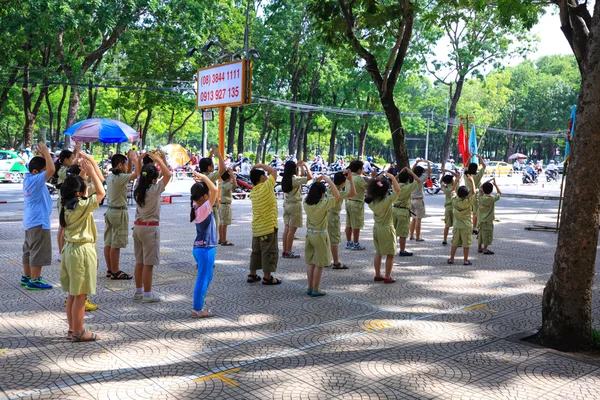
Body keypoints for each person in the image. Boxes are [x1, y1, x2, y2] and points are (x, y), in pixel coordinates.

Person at [60, 158, 105, 342]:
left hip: (69, 250)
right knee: (81, 296)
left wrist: (83, 174)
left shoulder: (65, 204)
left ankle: (72, 329)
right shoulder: (82, 205)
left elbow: (77, 188)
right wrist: (92, 172)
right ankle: (79, 332)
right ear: (79, 192)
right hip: (81, 252)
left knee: (72, 293)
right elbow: (101, 193)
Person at [132, 152, 171, 303]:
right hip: (150, 229)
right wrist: (158, 159)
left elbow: (160, 174)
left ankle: (138, 291)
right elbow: (167, 175)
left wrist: (141, 160)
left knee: (139, 261)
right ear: (154, 179)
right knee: (148, 264)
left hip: (137, 228)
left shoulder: (138, 188)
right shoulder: (153, 190)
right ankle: (148, 294)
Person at [21, 142, 55, 290]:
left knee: (28, 250)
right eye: (43, 171)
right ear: (36, 171)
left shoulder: (29, 178)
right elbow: (52, 169)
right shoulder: (36, 180)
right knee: (38, 251)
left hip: (30, 221)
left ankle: (27, 276)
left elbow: (47, 167)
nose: (45, 174)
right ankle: (35, 280)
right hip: (39, 222)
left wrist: (43, 155)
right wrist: (47, 153)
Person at [104, 150, 139, 280]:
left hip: (110, 211)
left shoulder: (111, 176)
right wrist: (135, 159)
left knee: (108, 242)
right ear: (119, 165)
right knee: (116, 244)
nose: (126, 167)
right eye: (124, 164)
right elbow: (136, 174)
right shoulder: (120, 178)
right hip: (119, 212)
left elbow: (129, 173)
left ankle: (109, 269)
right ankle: (115, 271)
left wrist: (129, 160)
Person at [304, 175, 340, 297]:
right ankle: (316, 288)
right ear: (322, 193)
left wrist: (316, 182)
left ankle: (309, 287)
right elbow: (337, 196)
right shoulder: (323, 204)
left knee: (311, 263)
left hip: (309, 234)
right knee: (319, 263)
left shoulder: (306, 203)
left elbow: (311, 192)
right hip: (320, 235)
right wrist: (329, 181)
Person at [190, 173, 219, 318]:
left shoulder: (197, 206)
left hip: (201, 248)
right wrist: (203, 176)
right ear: (203, 197)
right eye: (206, 193)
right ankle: (197, 309)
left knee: (207, 276)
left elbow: (210, 191)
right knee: (202, 279)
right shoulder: (204, 208)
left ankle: (199, 304)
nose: (210, 194)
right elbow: (214, 190)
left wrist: (202, 182)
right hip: (205, 249)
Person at [248, 163, 281, 285]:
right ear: (262, 178)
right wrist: (259, 165)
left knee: (256, 252)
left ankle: (252, 274)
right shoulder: (266, 187)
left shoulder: (253, 192)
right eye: (265, 176)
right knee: (268, 252)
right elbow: (274, 172)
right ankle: (267, 277)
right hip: (268, 228)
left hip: (256, 228)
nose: (267, 177)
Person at [366, 172, 401, 283]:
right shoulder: (387, 201)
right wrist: (392, 177)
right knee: (390, 254)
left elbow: (376, 188)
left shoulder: (371, 203)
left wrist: (378, 179)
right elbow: (398, 191)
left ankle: (377, 274)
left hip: (376, 228)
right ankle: (387, 276)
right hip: (387, 228)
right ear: (385, 191)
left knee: (378, 252)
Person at [53, 144, 80, 262]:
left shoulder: (62, 168)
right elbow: (74, 164)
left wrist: (75, 150)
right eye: (71, 158)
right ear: (66, 160)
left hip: (62, 201)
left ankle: (61, 252)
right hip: (63, 202)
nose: (73, 159)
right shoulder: (63, 171)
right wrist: (78, 152)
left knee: (62, 227)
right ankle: (61, 252)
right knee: (63, 227)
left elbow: (72, 160)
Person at [281, 160, 312, 258]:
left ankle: (285, 251)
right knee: (291, 231)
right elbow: (309, 177)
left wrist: (300, 166)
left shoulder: (285, 178)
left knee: (286, 228)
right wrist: (306, 165)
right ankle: (289, 251)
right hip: (295, 205)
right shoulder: (294, 179)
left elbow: (302, 175)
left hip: (286, 204)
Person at [327, 170, 356, 269]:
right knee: (334, 241)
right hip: (333, 217)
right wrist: (351, 180)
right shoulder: (339, 192)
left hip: (326, 215)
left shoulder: (329, 188)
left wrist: (340, 173)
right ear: (343, 183)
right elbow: (353, 193)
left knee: (327, 239)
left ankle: (325, 260)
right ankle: (336, 262)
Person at [448, 174, 476, 266]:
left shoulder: (454, 200)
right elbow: (474, 193)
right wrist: (472, 181)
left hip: (457, 225)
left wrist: (456, 180)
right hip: (466, 226)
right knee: (466, 244)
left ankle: (451, 259)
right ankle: (465, 260)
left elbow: (452, 191)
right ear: (466, 196)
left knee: (455, 242)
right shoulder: (468, 201)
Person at [198, 146, 227, 235]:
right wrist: (219, 156)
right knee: (212, 232)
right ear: (209, 167)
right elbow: (223, 170)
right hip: (211, 208)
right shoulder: (210, 177)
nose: (213, 167)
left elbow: (207, 165)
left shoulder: (201, 175)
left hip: (204, 207)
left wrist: (211, 155)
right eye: (212, 166)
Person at [393, 167, 421, 256]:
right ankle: (402, 250)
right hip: (403, 211)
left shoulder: (395, 186)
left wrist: (400, 173)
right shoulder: (408, 187)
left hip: (393, 210)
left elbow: (392, 180)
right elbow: (418, 181)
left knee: (392, 231)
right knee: (402, 232)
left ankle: (391, 249)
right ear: (408, 180)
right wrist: (411, 172)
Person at [345, 160, 369, 250]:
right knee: (356, 225)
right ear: (359, 170)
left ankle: (349, 242)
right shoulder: (359, 178)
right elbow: (367, 187)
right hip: (356, 202)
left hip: (348, 201)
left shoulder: (348, 176)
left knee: (349, 224)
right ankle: (356, 243)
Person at [477, 178, 501, 255]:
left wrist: (489, 180)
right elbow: (499, 193)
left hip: (480, 219)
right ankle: (485, 249)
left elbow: (480, 187)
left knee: (480, 233)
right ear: (491, 190)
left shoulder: (480, 196)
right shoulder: (492, 198)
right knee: (487, 233)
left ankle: (479, 247)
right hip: (488, 220)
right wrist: (495, 184)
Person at [464, 154, 487, 235]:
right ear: (476, 169)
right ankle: (474, 228)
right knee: (475, 213)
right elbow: (484, 166)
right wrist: (480, 158)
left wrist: (469, 157)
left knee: (467, 212)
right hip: (475, 195)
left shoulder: (466, 175)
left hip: (465, 195)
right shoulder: (477, 176)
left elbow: (465, 165)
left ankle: (467, 227)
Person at [409, 159, 431, 241]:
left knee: (413, 219)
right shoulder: (421, 179)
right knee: (418, 219)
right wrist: (428, 163)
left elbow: (411, 170)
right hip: (419, 200)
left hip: (411, 200)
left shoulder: (412, 178)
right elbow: (429, 172)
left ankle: (411, 235)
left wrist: (416, 163)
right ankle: (417, 237)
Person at [441, 168, 460, 245]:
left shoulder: (444, 188)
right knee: (456, 225)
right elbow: (458, 176)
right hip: (455, 208)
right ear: (452, 180)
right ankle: (455, 239)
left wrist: (443, 174)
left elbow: (441, 182)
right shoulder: (455, 186)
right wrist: (448, 170)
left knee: (447, 225)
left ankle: (445, 239)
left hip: (448, 208)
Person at [218, 168, 237, 246]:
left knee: (221, 222)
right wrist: (232, 175)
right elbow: (235, 185)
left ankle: (220, 238)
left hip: (221, 205)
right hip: (225, 205)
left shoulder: (221, 183)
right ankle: (224, 240)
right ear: (227, 178)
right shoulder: (226, 184)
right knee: (224, 224)